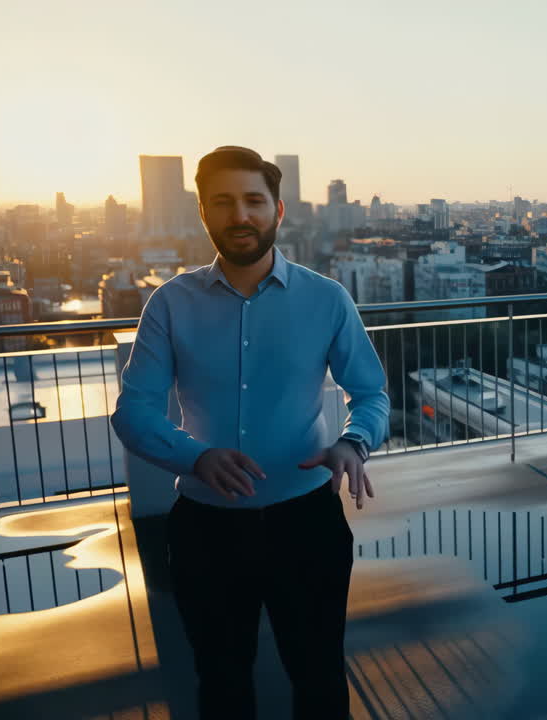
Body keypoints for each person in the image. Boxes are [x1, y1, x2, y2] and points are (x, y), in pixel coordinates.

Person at [110, 145, 389, 719]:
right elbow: (133, 411)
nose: (240, 215)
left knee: (319, 678)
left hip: (307, 524)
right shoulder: (169, 304)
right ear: (203, 213)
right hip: (206, 530)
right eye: (223, 202)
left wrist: (353, 441)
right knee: (221, 684)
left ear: (278, 210)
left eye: (254, 201)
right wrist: (195, 457)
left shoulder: (326, 299)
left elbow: (371, 394)